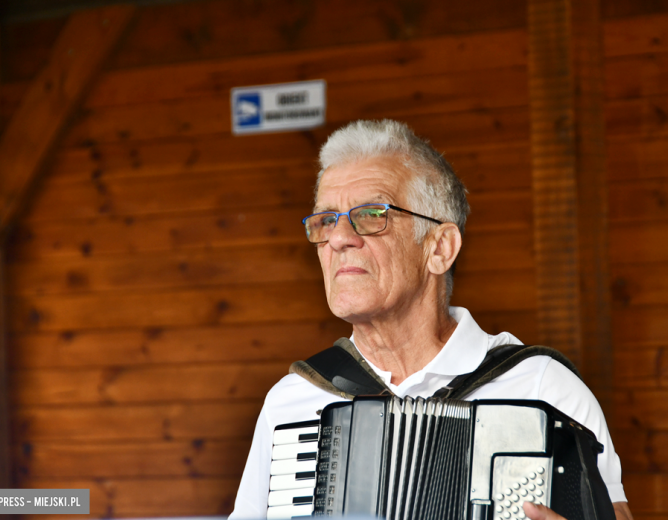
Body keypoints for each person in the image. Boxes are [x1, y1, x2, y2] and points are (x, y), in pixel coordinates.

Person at [229, 120, 633, 520]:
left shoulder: (543, 387)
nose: (338, 238)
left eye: (371, 214)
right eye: (326, 220)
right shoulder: (291, 403)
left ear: (440, 248)